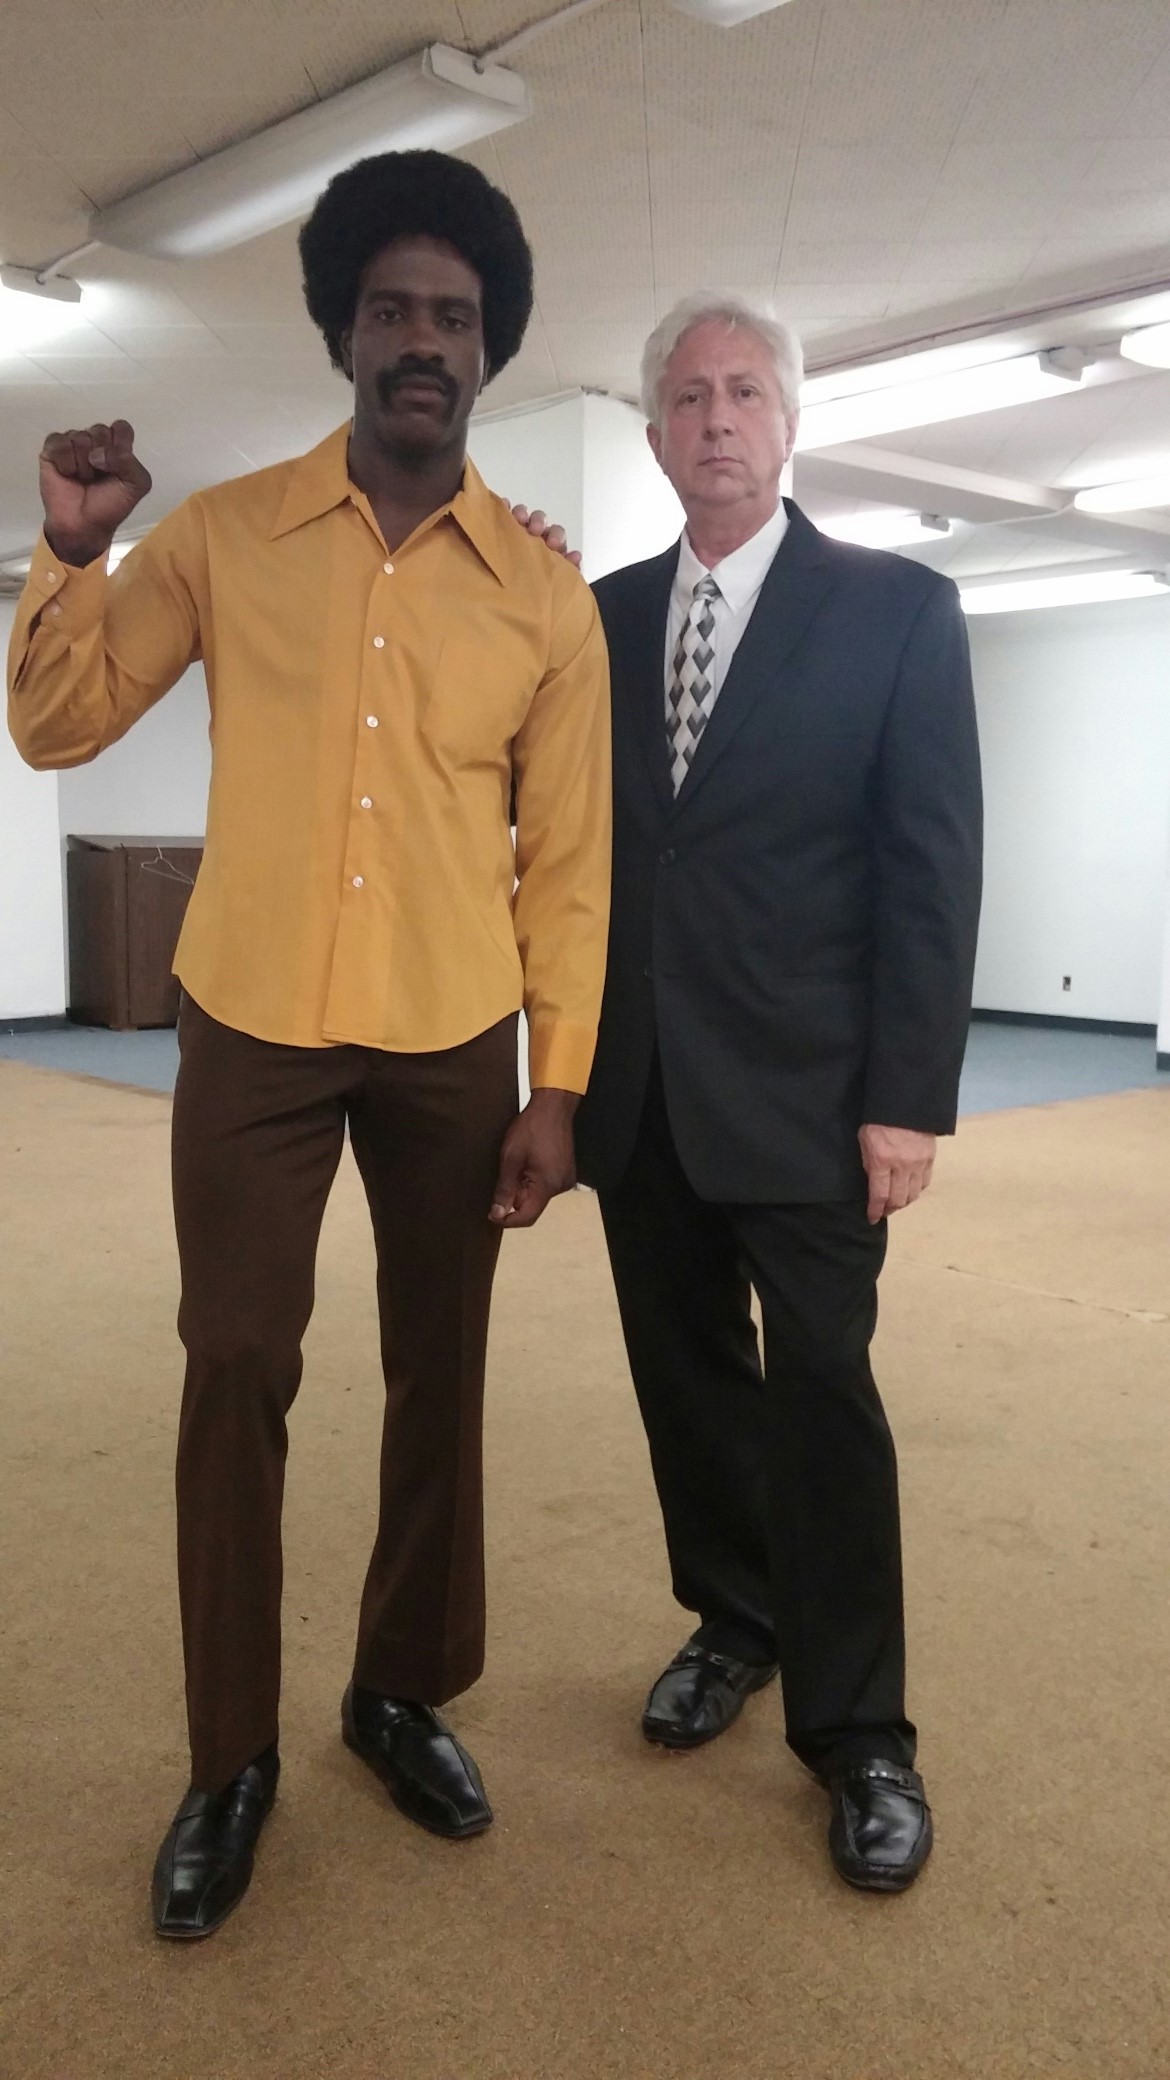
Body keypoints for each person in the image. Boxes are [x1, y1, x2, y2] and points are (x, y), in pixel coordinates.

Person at [6, 149, 611, 1940]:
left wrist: (556, 1084)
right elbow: (59, 725)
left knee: (441, 1369)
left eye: (453, 317)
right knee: (238, 1357)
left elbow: (570, 862)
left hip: (450, 1034)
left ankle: (398, 1691)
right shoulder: (218, 533)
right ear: (343, 333)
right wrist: (68, 546)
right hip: (253, 1020)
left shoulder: (540, 596)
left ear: (486, 351)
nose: (422, 341)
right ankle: (228, 1756)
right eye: (392, 312)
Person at [569, 292, 981, 1892]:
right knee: (684, 1383)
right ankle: (729, 1619)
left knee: (821, 1402)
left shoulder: (895, 607)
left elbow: (927, 866)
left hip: (814, 1102)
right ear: (658, 431)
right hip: (641, 1093)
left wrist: (907, 1097)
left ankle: (859, 1729)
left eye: (744, 392)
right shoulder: (594, 619)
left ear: (789, 420)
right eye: (685, 396)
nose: (716, 419)